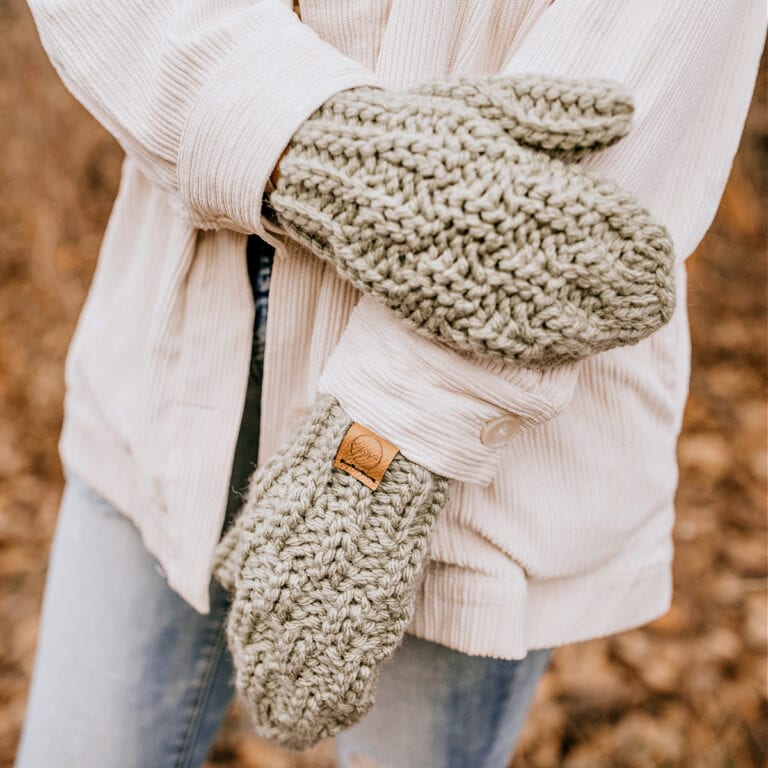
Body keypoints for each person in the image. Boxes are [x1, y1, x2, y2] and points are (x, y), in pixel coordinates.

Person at [15, 1, 764, 767]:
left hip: (468, 447)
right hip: (170, 357)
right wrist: (319, 149)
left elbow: (579, 221)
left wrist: (374, 451)